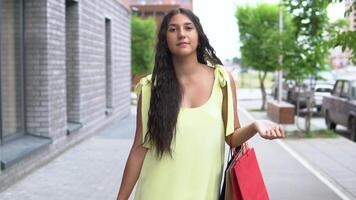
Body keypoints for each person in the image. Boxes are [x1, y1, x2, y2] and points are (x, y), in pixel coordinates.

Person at [116, 8, 285, 200]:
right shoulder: (149, 88)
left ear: (198, 35)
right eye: (173, 29)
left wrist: (256, 125)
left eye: (188, 28)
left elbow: (232, 137)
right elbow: (139, 149)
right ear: (165, 39)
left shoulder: (222, 80)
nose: (181, 34)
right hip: (154, 192)